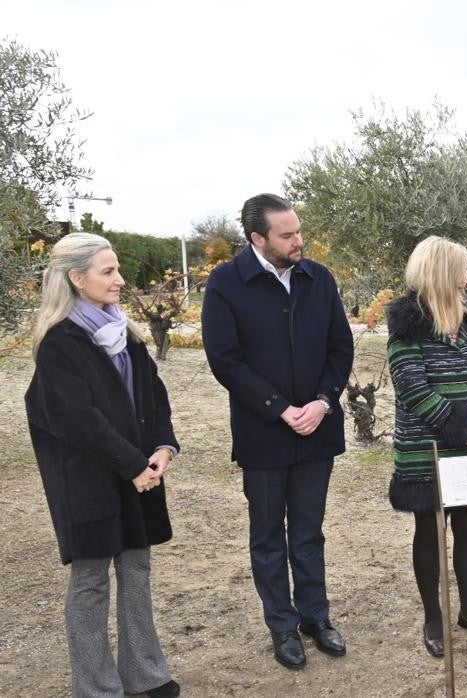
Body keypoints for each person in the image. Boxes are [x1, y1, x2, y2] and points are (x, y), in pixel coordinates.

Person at [25, 233, 181, 697]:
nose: (119, 280)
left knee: (136, 572)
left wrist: (163, 447)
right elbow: (80, 421)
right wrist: (133, 464)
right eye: (107, 271)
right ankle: (95, 688)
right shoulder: (59, 344)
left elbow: (155, 398)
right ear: (77, 279)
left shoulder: (125, 334)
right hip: (89, 481)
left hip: (139, 474)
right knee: (91, 581)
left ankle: (145, 676)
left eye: (117, 270)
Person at [201, 194, 353, 670]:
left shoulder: (318, 278)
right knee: (268, 536)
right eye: (287, 235)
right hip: (263, 433)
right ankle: (282, 626)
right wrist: (280, 409)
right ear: (257, 239)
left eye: (299, 231)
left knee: (309, 531)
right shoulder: (226, 284)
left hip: (317, 429)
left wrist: (324, 401)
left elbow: (340, 348)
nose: (298, 241)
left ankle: (315, 617)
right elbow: (225, 359)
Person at [385, 236, 467, 657]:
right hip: (427, 452)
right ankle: (433, 617)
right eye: (462, 272)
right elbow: (415, 391)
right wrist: (465, 428)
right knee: (429, 533)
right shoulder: (407, 330)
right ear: (442, 275)